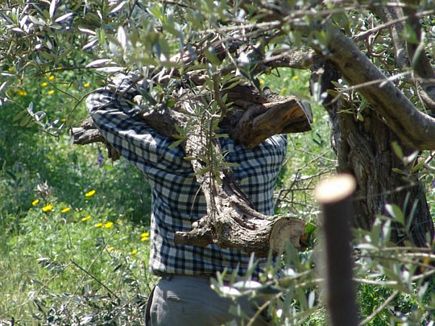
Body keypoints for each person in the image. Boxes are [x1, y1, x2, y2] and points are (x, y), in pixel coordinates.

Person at [87, 73, 287, 325]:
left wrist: (156, 76)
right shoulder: (270, 150)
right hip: (257, 299)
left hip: (187, 299)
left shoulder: (165, 153)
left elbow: (100, 102)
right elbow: (277, 113)